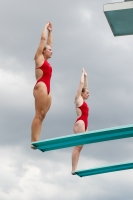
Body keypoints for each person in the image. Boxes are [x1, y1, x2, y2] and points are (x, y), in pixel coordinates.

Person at [31, 22, 52, 149]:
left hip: (48, 88)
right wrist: (45, 28)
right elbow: (43, 40)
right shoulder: (39, 57)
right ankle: (33, 140)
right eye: (49, 50)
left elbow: (49, 43)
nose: (51, 51)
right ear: (43, 51)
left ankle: (37, 140)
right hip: (41, 86)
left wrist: (51, 32)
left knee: (43, 115)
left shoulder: (47, 61)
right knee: (38, 113)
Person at [71, 68, 90, 173]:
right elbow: (81, 84)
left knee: (80, 148)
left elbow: (85, 86)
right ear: (82, 93)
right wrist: (82, 74)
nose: (88, 94)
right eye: (87, 92)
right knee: (77, 147)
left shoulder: (84, 101)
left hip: (85, 124)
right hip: (80, 123)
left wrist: (86, 76)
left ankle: (75, 168)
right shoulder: (78, 98)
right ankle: (73, 168)